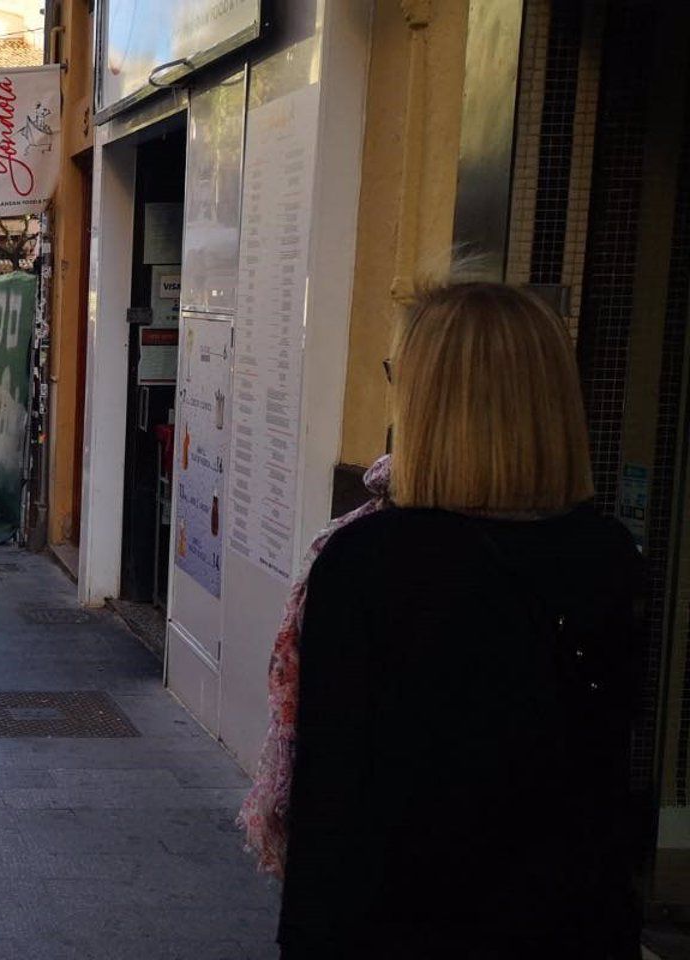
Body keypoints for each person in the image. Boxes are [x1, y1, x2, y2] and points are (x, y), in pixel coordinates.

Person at [269, 282, 643, 960]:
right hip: (568, 923)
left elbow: (334, 808)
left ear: (431, 400)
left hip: (405, 928)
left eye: (396, 374)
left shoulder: (370, 563)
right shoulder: (609, 556)